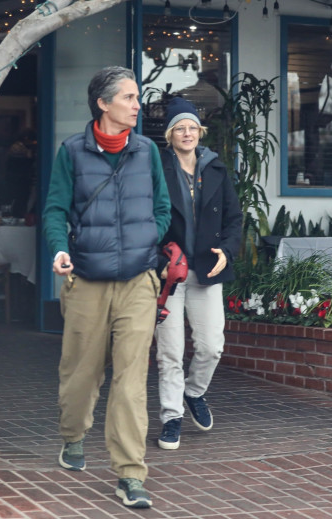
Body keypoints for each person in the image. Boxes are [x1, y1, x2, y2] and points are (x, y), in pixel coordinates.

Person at [42, 66, 171, 509]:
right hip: (87, 281)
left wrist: (146, 241)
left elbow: (162, 206)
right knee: (81, 373)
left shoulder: (147, 150)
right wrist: (60, 249)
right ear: (104, 103)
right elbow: (55, 209)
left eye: (137, 98)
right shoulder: (72, 152)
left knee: (132, 380)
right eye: (130, 98)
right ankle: (73, 435)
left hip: (138, 280)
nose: (138, 105)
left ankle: (130, 474)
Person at [154, 97, 242, 451]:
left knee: (211, 347)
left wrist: (229, 250)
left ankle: (194, 392)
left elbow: (234, 220)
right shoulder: (157, 170)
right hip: (170, 274)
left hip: (207, 269)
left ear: (200, 131)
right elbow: (148, 219)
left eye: (192, 127)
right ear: (170, 134)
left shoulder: (217, 169)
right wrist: (154, 259)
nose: (186, 132)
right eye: (180, 127)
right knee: (170, 353)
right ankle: (171, 417)